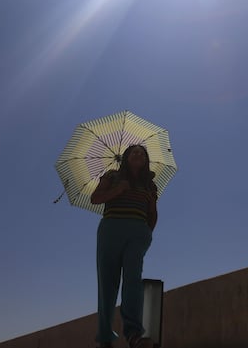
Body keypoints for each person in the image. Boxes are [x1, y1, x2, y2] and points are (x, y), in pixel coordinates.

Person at [90, 144, 158, 348]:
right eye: (134, 152)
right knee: (107, 285)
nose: (138, 155)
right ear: (126, 157)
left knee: (133, 281)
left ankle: (134, 334)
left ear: (146, 160)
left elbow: (153, 212)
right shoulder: (112, 176)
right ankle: (105, 337)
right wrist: (118, 189)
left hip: (138, 233)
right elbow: (95, 198)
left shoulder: (150, 185)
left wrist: (147, 232)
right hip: (111, 229)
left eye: (142, 153)